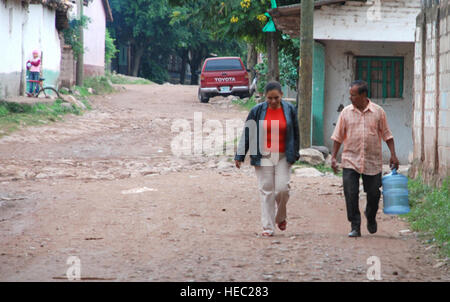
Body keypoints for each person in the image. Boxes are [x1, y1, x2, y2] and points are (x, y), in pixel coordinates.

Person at [330, 80, 399, 238]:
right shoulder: (346, 112)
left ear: (363, 95)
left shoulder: (378, 112)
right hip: (350, 160)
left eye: (353, 95)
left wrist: (393, 155)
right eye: (350, 95)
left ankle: (370, 214)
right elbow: (338, 136)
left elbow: (387, 135)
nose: (350, 98)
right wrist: (333, 157)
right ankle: (355, 225)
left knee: (374, 193)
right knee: (350, 193)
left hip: (372, 161)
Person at [235, 81, 300, 237]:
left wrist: (295, 153)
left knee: (282, 190)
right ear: (265, 97)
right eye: (269, 98)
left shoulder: (289, 109)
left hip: (283, 155)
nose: (272, 101)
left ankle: (281, 217)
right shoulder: (257, 111)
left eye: (276, 98)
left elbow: (296, 133)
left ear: (281, 95)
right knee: (266, 190)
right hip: (263, 155)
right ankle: (268, 227)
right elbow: (248, 132)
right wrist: (240, 155)